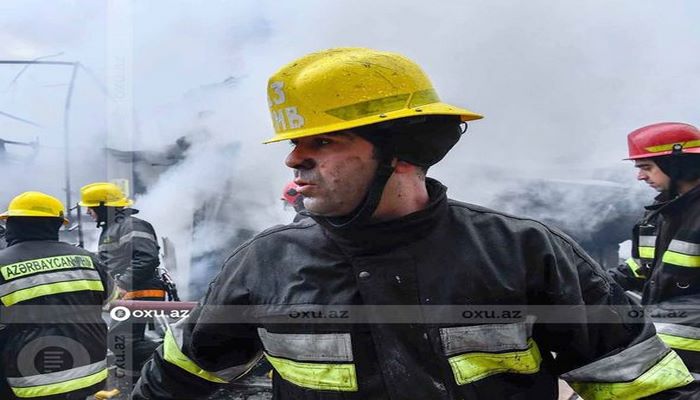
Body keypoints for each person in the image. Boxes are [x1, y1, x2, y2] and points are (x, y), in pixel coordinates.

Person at [133, 48, 697, 399]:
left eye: (322, 142)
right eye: (293, 143)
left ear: (401, 151)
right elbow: (178, 376)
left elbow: (641, 385)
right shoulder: (265, 262)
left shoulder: (524, 252)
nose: (293, 160)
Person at [0, 191, 114, 399]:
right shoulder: (88, 259)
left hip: (32, 379)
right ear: (57, 224)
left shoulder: (2, 263)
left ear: (12, 224)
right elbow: (110, 297)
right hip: (90, 373)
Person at [609, 122, 700, 377]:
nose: (640, 176)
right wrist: (594, 281)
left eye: (647, 167)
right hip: (667, 357)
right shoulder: (658, 217)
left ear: (678, 165)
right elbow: (644, 267)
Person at [78, 182, 165, 378]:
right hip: (131, 292)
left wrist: (123, 284)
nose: (87, 212)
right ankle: (143, 376)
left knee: (122, 341)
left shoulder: (131, 224)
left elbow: (147, 257)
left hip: (140, 291)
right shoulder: (114, 227)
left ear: (103, 206)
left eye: (90, 207)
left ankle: (173, 355)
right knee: (124, 341)